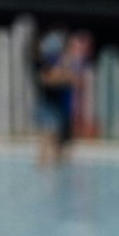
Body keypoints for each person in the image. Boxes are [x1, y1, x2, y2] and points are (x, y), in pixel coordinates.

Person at [36, 31, 76, 164]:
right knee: (47, 138)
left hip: (61, 111)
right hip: (49, 108)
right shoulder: (46, 69)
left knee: (60, 143)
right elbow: (48, 80)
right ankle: (45, 164)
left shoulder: (62, 66)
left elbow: (72, 79)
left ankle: (54, 165)